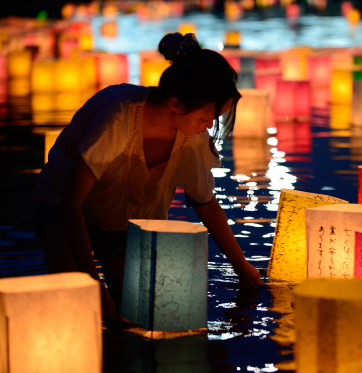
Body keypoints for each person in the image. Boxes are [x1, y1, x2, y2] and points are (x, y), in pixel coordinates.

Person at [33, 32, 263, 321]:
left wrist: (243, 268)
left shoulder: (190, 135)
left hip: (122, 223)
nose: (208, 127)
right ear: (177, 104)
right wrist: (91, 284)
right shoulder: (117, 116)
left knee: (136, 311)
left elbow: (205, 203)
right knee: (80, 308)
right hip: (61, 212)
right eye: (206, 118)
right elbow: (71, 203)